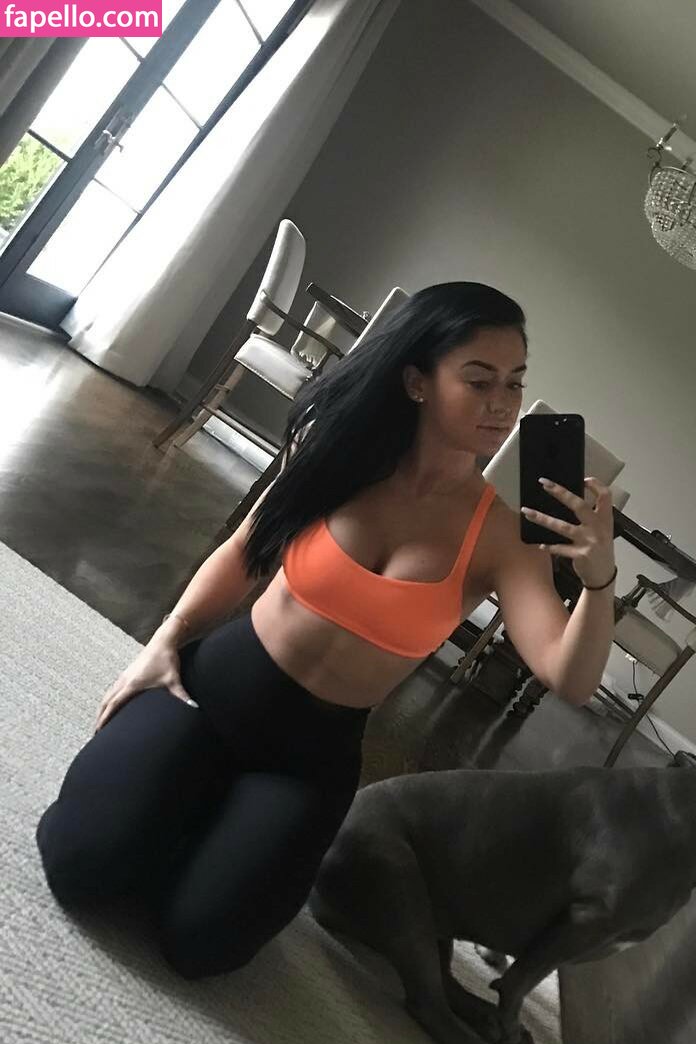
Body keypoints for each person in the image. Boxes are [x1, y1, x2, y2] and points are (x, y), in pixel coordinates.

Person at [35, 281, 617, 979]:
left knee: (202, 946)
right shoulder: (338, 450)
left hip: (307, 761)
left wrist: (598, 581)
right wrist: (164, 642)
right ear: (418, 381)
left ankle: (205, 818)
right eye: (479, 379)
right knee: (81, 866)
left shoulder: (502, 535)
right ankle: (183, 801)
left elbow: (568, 676)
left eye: (515, 382)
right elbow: (245, 552)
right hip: (209, 693)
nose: (503, 402)